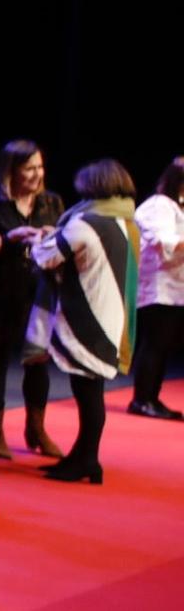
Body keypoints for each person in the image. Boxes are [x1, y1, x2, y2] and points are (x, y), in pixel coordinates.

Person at [29, 160, 141, 484]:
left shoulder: (87, 222)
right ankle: (83, 455)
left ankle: (87, 459)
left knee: (88, 392)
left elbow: (46, 257)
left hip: (90, 316)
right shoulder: (126, 220)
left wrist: (36, 239)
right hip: (115, 316)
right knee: (92, 391)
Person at [0, 141, 67, 457]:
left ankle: (37, 428)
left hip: (40, 293)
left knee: (37, 361)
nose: (37, 174)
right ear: (11, 170)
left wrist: (53, 236)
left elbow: (65, 243)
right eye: (29, 168)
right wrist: (10, 238)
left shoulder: (51, 202)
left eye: (40, 167)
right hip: (2, 292)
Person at [127, 157, 183, 420]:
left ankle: (152, 397)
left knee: (164, 344)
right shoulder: (159, 205)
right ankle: (142, 398)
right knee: (154, 343)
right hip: (157, 288)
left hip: (174, 289)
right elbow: (164, 241)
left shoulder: (176, 207)